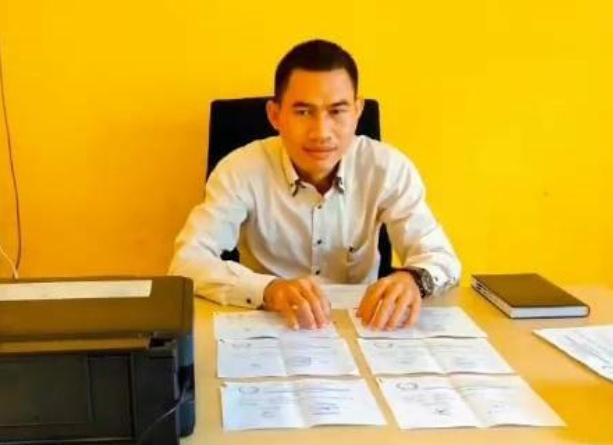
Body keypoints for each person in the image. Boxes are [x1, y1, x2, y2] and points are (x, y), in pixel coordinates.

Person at [169, 39, 460, 331]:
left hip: (363, 325)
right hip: (273, 324)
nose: (321, 133)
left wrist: (413, 279)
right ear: (275, 115)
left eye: (337, 111)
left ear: (357, 112)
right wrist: (268, 289)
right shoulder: (239, 170)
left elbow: (442, 258)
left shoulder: (387, 168)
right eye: (304, 112)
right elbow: (187, 263)